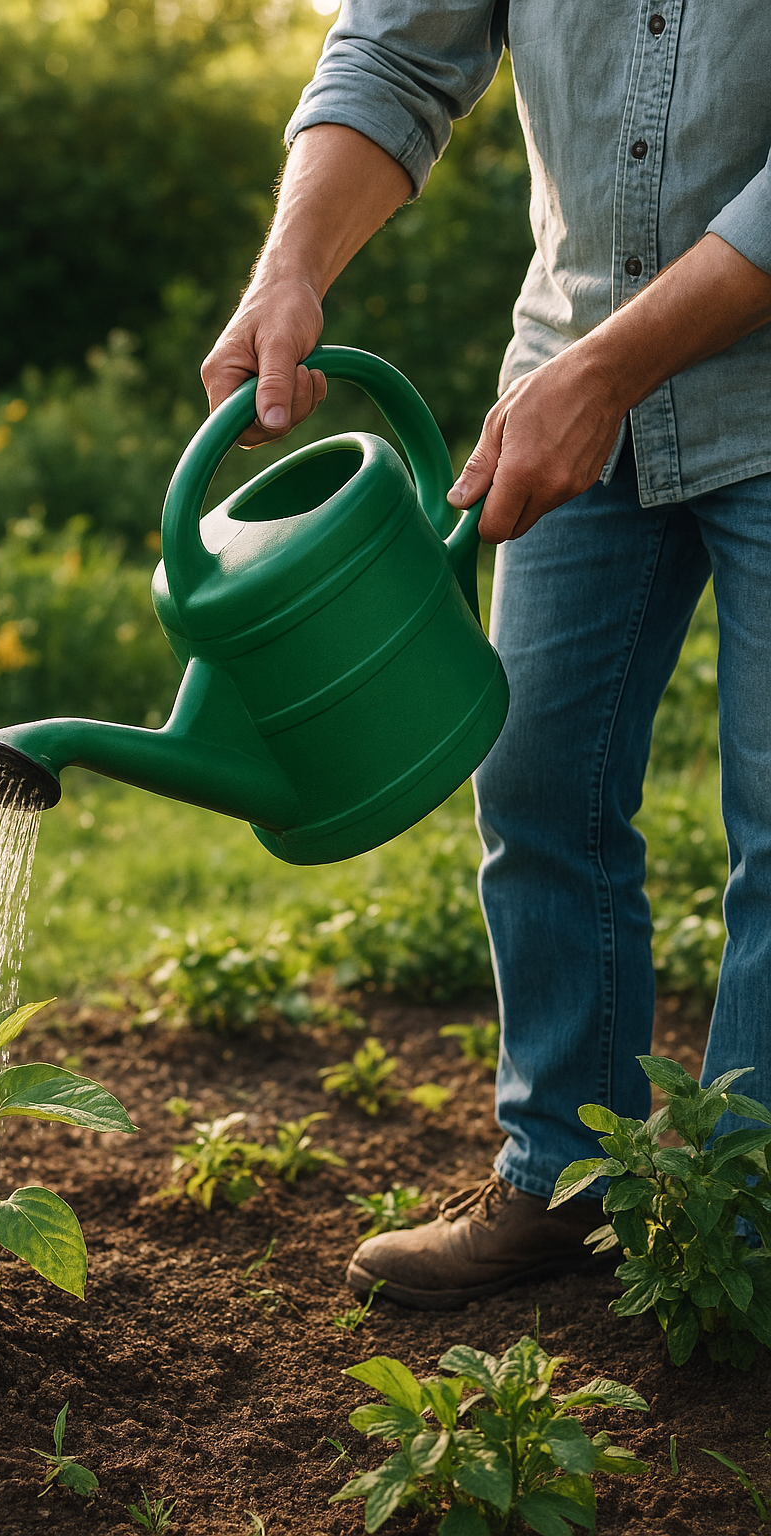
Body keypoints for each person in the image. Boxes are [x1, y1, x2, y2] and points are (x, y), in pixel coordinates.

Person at [201, 2, 771, 1310]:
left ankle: (742, 1234)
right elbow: (397, 50)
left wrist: (610, 374)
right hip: (568, 370)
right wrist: (291, 268)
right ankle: (566, 1181)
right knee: (534, 787)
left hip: (679, 385)